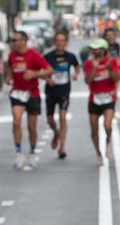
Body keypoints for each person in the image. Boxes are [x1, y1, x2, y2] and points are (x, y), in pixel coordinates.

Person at [6, 29, 51, 169]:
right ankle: (19, 152)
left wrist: (35, 74)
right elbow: (9, 69)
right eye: (12, 40)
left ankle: (32, 152)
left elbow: (49, 70)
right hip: (17, 93)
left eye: (15, 40)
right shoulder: (12, 55)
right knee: (16, 121)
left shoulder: (34, 55)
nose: (13, 43)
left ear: (23, 41)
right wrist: (8, 77)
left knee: (31, 127)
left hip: (32, 93)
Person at [83, 37, 120, 166]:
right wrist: (94, 68)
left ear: (103, 50)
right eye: (93, 49)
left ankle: (108, 139)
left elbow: (116, 78)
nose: (94, 51)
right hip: (94, 98)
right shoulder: (89, 63)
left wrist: (109, 69)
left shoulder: (111, 61)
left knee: (107, 125)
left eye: (97, 49)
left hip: (108, 97)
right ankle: (98, 153)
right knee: (94, 128)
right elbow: (87, 81)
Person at [44, 30, 80, 160]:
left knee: (63, 117)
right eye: (57, 41)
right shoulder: (48, 57)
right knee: (50, 119)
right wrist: (48, 79)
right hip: (51, 91)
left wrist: (76, 74)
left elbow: (77, 66)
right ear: (54, 42)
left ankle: (62, 146)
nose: (59, 43)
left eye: (62, 41)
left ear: (66, 43)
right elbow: (41, 71)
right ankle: (56, 132)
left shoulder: (70, 56)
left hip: (64, 91)